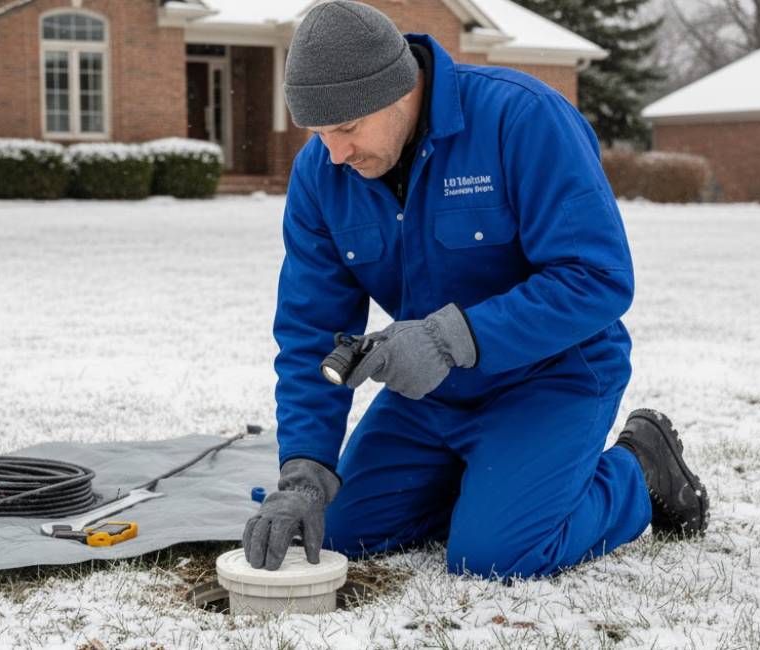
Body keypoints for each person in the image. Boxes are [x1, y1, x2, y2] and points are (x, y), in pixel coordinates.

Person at [241, 0, 709, 578]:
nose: (333, 153)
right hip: (432, 395)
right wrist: (305, 472)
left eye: (346, 128)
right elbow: (311, 331)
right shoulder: (322, 173)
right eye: (318, 131)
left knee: (496, 556)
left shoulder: (523, 119)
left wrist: (448, 340)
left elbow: (598, 278)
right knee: (335, 533)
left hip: (552, 376)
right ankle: (490, 484)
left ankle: (639, 468)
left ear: (398, 90)